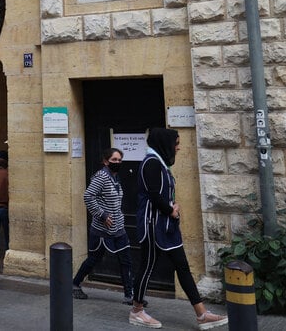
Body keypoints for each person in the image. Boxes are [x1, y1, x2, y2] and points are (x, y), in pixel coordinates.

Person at [129, 128, 226, 329]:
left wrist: (172, 208)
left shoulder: (160, 164)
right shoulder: (151, 163)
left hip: (167, 226)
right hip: (153, 225)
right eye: (176, 143)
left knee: (182, 267)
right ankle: (136, 311)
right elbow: (154, 196)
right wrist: (170, 210)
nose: (179, 147)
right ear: (165, 144)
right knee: (147, 267)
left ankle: (201, 314)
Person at [72, 147, 134, 303]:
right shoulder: (101, 176)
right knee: (93, 260)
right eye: (114, 160)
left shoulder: (115, 176)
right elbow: (88, 196)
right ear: (106, 161)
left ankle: (130, 295)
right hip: (101, 230)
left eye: (120, 160)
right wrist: (103, 215)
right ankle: (74, 284)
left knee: (126, 260)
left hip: (119, 228)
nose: (118, 162)